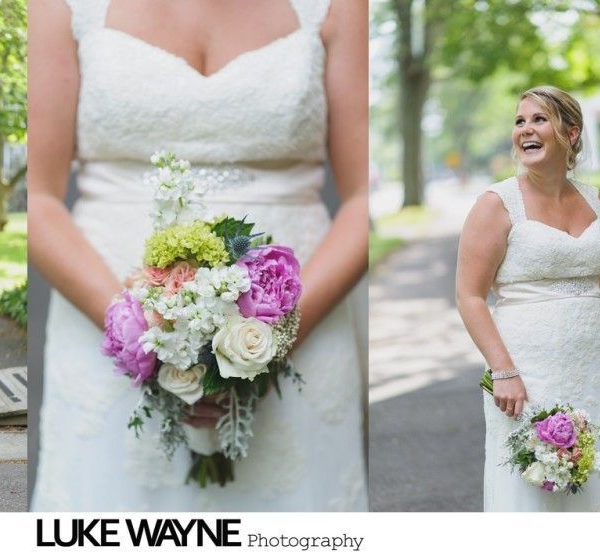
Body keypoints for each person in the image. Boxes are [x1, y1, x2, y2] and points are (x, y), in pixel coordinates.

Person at [28, 0, 368, 510]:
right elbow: (38, 199)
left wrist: (270, 340)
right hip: (101, 314)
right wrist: (143, 339)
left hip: (304, 321)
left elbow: (365, 198)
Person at [456, 86, 600, 511]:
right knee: (535, 491)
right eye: (520, 121)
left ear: (571, 132)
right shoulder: (496, 204)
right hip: (527, 374)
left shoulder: (593, 200)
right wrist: (502, 371)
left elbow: (580, 256)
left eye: (538, 119)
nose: (525, 129)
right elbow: (469, 295)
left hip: (596, 371)